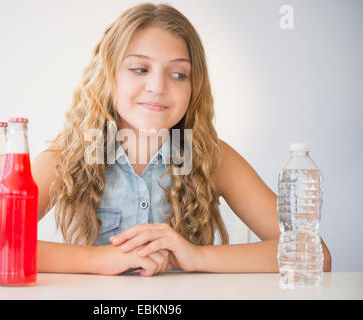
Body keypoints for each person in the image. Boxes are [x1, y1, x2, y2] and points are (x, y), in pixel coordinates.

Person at [32, 3, 331, 276]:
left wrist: (196, 257)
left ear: (193, 86)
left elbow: (312, 253)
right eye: (139, 69)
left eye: (178, 74)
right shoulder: (65, 158)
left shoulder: (212, 157)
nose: (157, 86)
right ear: (107, 76)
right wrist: (98, 261)